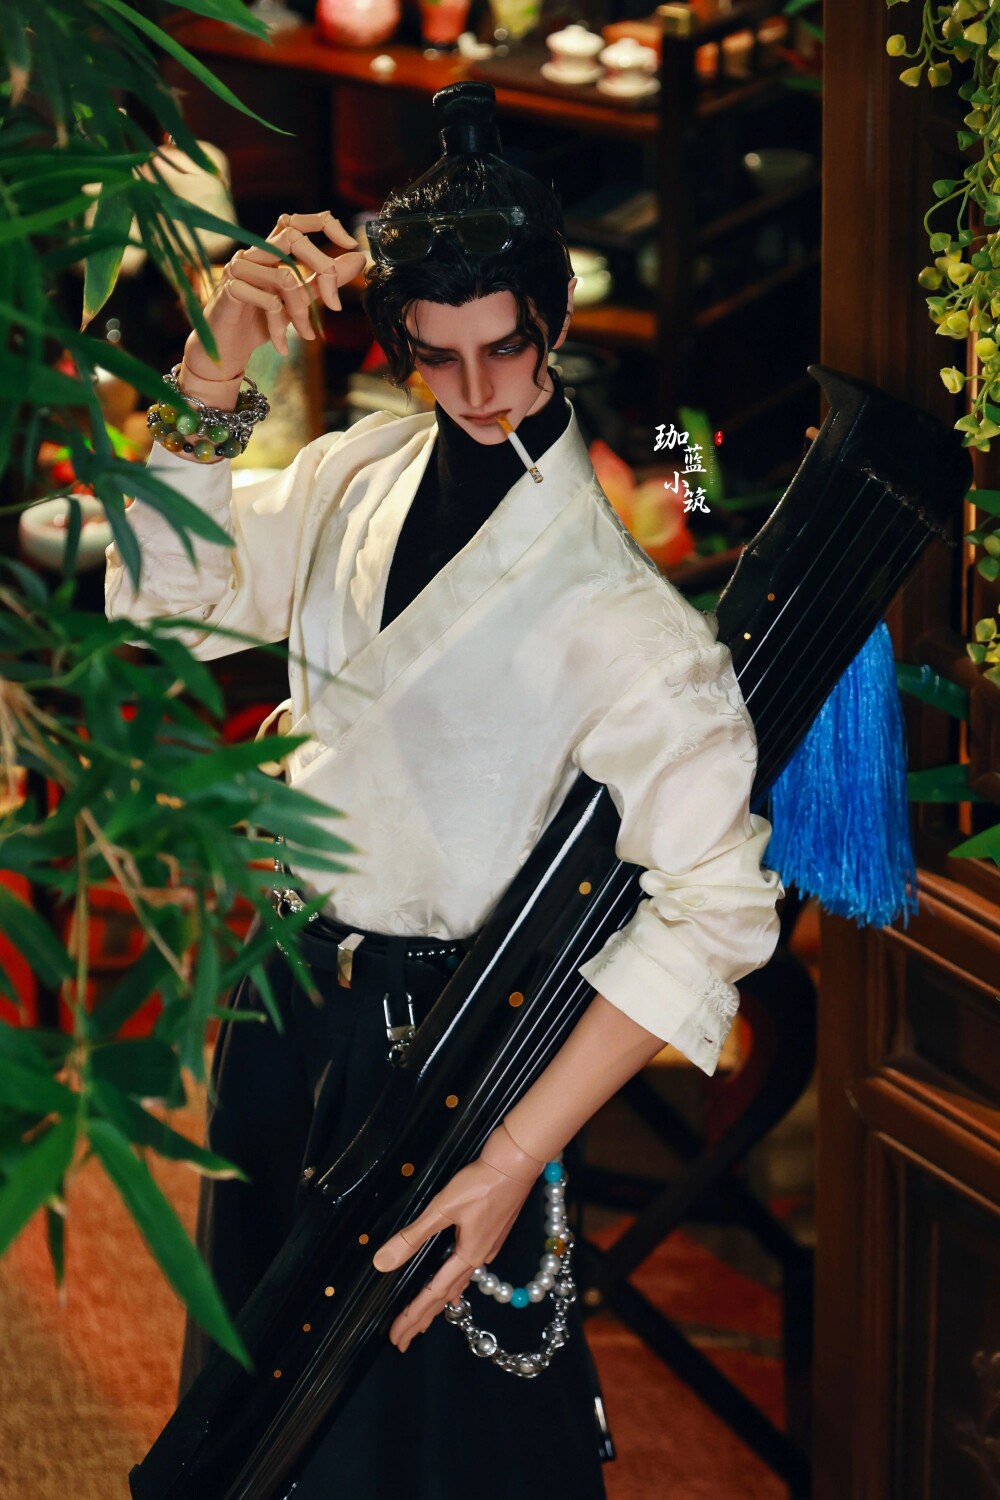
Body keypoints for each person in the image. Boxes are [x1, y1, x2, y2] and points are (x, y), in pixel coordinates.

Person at [106, 82, 782, 1500]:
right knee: (249, 1428)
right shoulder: (362, 468)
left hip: (444, 1041)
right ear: (399, 341)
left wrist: (678, 514)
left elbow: (705, 526)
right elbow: (162, 600)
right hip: (288, 998)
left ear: (554, 321)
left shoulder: (645, 502)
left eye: (506, 350)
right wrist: (216, 362)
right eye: (436, 356)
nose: (477, 391)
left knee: (413, 1448)